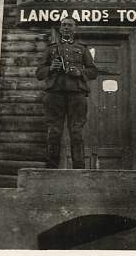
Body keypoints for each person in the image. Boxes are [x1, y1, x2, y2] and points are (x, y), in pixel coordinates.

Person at [36, 17, 98, 169]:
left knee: (76, 132)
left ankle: (79, 167)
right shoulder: (50, 49)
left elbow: (93, 71)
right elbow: (39, 73)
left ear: (74, 29)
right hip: (54, 94)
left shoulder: (82, 48)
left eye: (69, 25)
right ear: (60, 28)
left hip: (76, 94)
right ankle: (51, 167)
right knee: (54, 131)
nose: (66, 28)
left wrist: (80, 72)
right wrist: (51, 68)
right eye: (63, 25)